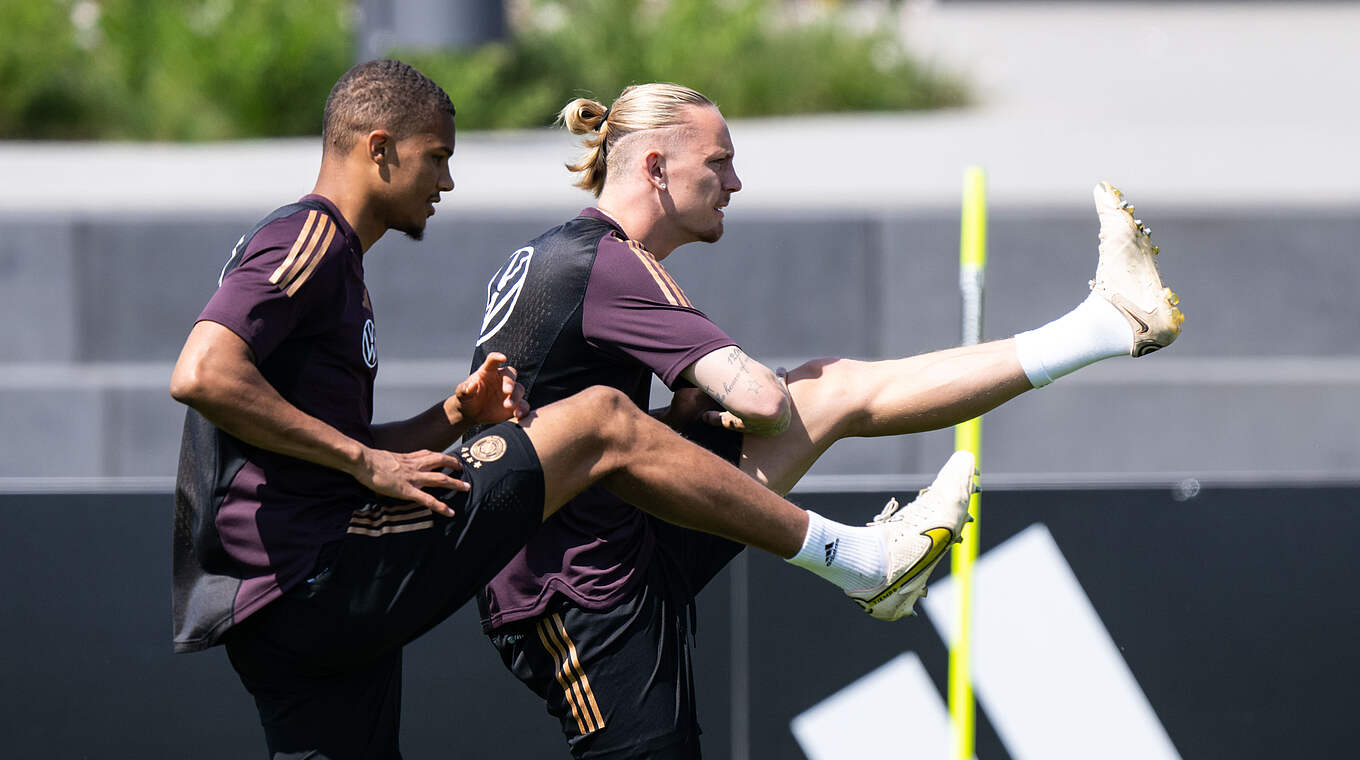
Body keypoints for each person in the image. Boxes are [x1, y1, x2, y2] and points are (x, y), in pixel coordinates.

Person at [169, 61, 975, 760]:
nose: (446, 182)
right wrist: (367, 463)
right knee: (599, 419)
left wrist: (450, 417)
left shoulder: (341, 271)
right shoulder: (310, 235)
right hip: (317, 572)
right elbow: (204, 372)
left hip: (282, 614)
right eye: (436, 158)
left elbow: (321, 444)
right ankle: (863, 561)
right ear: (378, 150)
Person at [470, 83, 1184, 758]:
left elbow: (561, 410)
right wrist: (722, 387)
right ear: (655, 166)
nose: (736, 184)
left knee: (835, 388)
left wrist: (682, 407)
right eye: (720, 163)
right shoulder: (610, 261)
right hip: (570, 587)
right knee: (801, 396)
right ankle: (864, 563)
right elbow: (761, 401)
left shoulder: (558, 252)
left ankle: (1103, 324)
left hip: (608, 546)